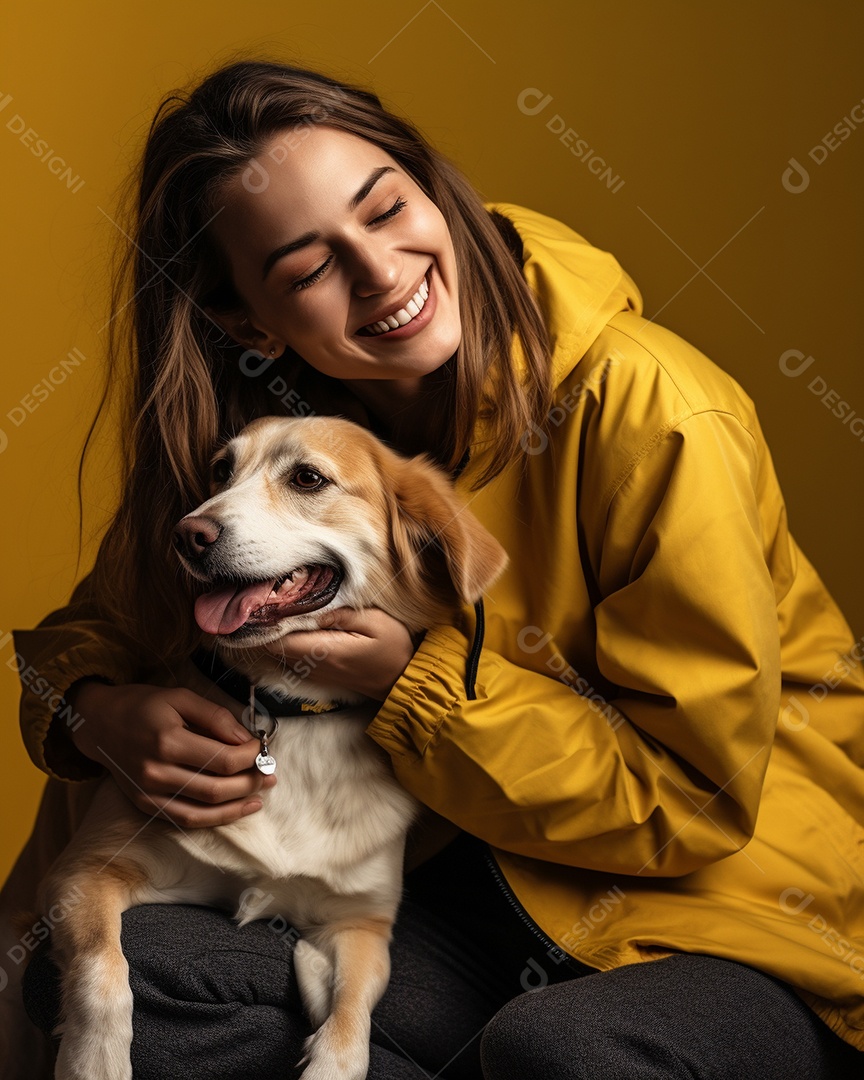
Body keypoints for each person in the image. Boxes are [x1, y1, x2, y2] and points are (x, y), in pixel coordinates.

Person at [2, 58, 863, 1080]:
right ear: (248, 322)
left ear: (434, 188)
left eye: (386, 208)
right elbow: (86, 630)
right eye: (308, 268)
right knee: (115, 967)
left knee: (560, 1051)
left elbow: (694, 800)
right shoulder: (268, 433)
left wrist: (410, 684)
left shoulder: (657, 408)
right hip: (459, 904)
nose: (380, 272)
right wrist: (94, 708)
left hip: (724, 913)